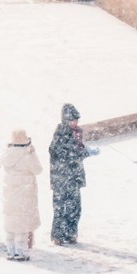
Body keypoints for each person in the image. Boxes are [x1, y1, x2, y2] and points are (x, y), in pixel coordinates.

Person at [48, 105, 88, 248]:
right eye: (72, 120)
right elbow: (56, 153)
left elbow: (78, 152)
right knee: (60, 207)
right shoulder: (60, 134)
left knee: (75, 207)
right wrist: (76, 152)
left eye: (76, 120)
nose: (75, 123)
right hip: (61, 178)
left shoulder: (77, 133)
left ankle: (71, 233)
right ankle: (58, 235)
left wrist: (85, 151)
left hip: (74, 177)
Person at [0, 124, 38, 261]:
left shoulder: (6, 155)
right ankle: (20, 252)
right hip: (24, 193)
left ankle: (10, 250)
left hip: (9, 193)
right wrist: (33, 153)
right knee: (22, 222)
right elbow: (38, 169)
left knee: (10, 222)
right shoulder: (27, 155)